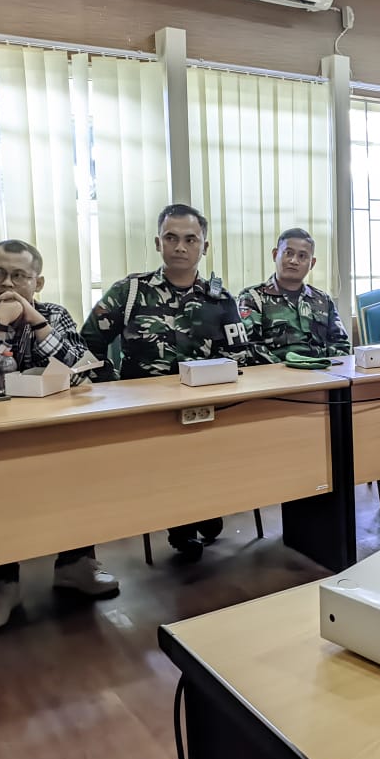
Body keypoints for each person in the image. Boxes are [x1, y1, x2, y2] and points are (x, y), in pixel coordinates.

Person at [0, 239, 119, 629]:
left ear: (38, 282)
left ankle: (76, 564)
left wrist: (37, 323)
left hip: (50, 430)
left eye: (20, 276)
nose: (7, 283)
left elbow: (83, 371)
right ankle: (1, 582)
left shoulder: (54, 314)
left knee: (81, 463)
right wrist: (0, 326)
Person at [81, 204, 249, 562]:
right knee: (169, 461)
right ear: (158, 243)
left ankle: (203, 508)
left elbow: (239, 357)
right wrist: (113, 388)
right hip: (146, 411)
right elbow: (88, 345)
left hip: (207, 410)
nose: (180, 247)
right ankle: (183, 525)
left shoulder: (220, 300)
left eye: (191, 239)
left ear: (204, 247)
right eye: (171, 238)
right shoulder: (130, 292)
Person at [239, 228, 350, 364]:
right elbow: (250, 347)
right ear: (275, 255)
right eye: (288, 253)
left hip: (322, 375)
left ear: (312, 263)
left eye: (302, 256)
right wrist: (292, 370)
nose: (294, 261)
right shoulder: (252, 298)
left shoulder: (322, 300)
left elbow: (341, 344)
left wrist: (325, 366)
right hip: (277, 378)